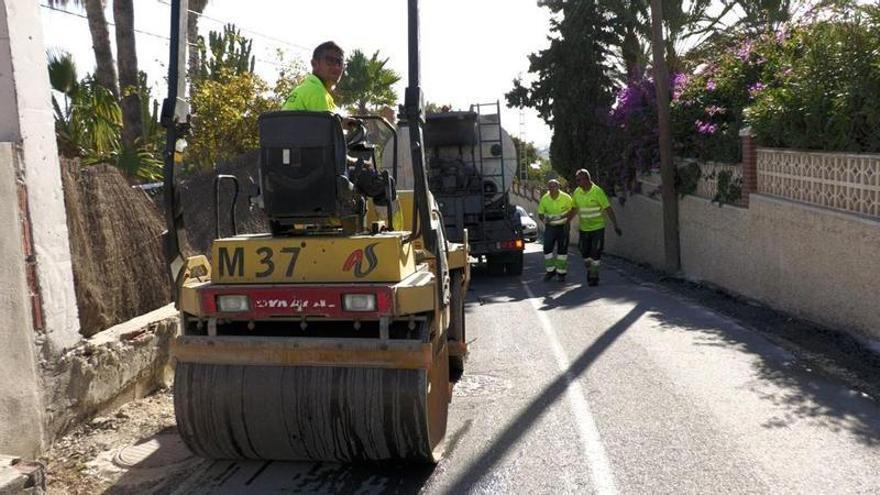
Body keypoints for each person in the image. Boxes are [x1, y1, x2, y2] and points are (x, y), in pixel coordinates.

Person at [567, 169, 622, 286]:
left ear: (586, 179)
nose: (577, 182)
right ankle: (590, 268)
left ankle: (593, 276)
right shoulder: (577, 192)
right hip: (584, 228)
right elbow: (574, 209)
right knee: (584, 252)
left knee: (596, 252)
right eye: (576, 180)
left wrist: (615, 225)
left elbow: (608, 209)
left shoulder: (597, 192)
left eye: (579, 180)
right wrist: (566, 222)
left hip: (597, 228)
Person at [282, 41, 345, 112]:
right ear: (314, 64)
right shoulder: (317, 93)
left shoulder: (301, 90)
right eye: (330, 61)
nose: (336, 67)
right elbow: (326, 123)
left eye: (339, 63)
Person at [537, 179, 573, 281]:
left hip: (563, 227)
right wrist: (544, 220)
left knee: (562, 251)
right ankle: (550, 271)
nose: (552, 189)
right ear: (548, 188)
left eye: (554, 186)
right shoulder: (545, 199)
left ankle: (561, 274)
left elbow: (572, 210)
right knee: (547, 248)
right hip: (550, 227)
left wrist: (565, 218)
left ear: (559, 187)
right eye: (550, 187)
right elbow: (540, 212)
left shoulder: (566, 198)